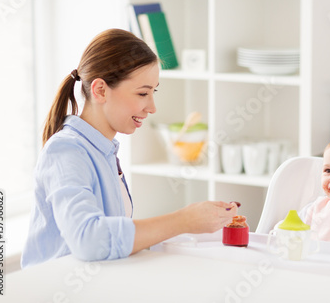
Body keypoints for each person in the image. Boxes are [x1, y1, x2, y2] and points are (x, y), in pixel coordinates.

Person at [21, 29, 238, 268]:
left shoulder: (103, 151)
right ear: (100, 90)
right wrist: (183, 220)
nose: (152, 107)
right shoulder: (66, 151)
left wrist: (200, 225)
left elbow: (113, 239)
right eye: (143, 93)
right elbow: (88, 239)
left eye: (153, 92)